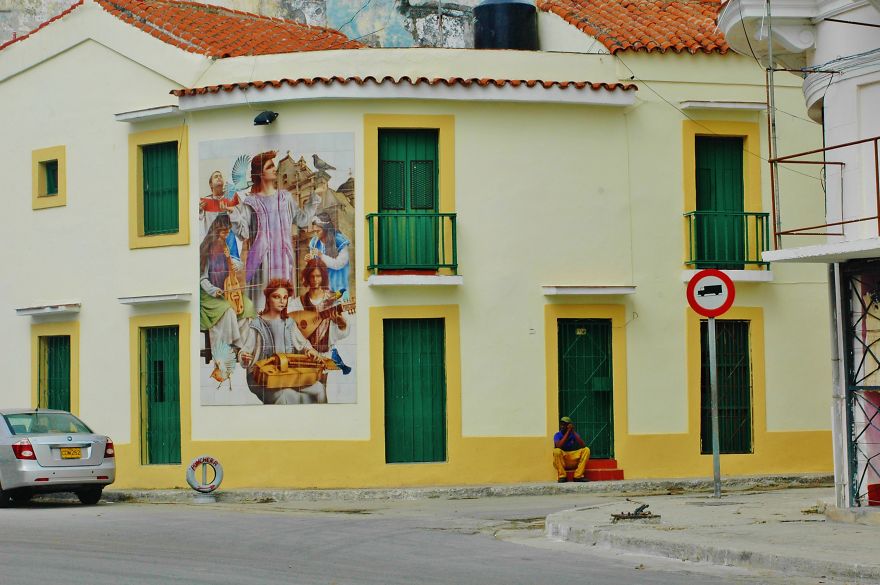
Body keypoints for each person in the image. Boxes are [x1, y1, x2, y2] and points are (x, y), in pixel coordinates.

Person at [228, 151, 320, 310]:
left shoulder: (285, 198)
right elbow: (243, 233)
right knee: (262, 309)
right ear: (260, 173)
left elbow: (303, 219)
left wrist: (315, 197)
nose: (274, 169)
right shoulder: (251, 202)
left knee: (283, 308)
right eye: (269, 166)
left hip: (283, 261)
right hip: (261, 263)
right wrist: (233, 215)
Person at [238, 279, 324, 405]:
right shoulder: (257, 324)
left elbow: (303, 343)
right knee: (285, 395)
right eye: (277, 297)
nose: (282, 301)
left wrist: (309, 350)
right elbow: (245, 351)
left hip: (286, 374)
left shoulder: (289, 323)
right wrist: (244, 357)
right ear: (268, 298)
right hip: (261, 377)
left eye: (285, 297)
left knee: (319, 389)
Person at [199, 215, 256, 381]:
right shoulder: (206, 249)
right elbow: (202, 278)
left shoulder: (224, 245)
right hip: (209, 292)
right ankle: (225, 353)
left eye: (227, 231)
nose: (226, 234)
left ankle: (242, 348)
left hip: (227, 288)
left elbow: (232, 267)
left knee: (248, 306)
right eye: (223, 231)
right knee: (228, 311)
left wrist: (235, 263)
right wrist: (213, 290)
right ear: (216, 230)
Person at [289, 257, 353, 379]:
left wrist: (341, 322)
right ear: (307, 277)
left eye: (318, 276)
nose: (315, 280)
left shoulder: (332, 300)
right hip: (304, 357)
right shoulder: (297, 303)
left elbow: (343, 332)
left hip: (326, 355)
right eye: (312, 276)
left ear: (323, 276)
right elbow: (291, 328)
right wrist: (306, 348)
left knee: (323, 391)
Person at [306, 212, 351, 295]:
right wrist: (309, 260)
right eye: (314, 231)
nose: (315, 234)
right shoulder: (314, 242)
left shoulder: (339, 240)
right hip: (322, 287)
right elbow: (315, 267)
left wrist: (321, 255)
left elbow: (339, 264)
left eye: (318, 231)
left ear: (326, 229)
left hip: (338, 284)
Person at [553, 416, 590, 482]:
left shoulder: (573, 434)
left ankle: (578, 476)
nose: (562, 426)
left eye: (564, 424)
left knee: (586, 450)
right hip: (563, 461)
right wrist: (568, 432)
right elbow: (558, 445)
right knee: (556, 451)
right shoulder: (557, 435)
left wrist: (572, 431)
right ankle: (562, 476)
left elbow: (583, 445)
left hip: (573, 459)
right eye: (561, 424)